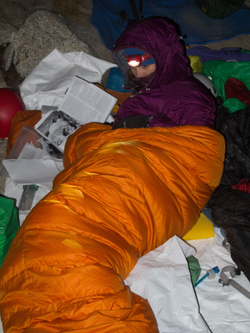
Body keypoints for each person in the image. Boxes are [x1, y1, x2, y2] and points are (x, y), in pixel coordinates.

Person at [111, 16, 217, 129]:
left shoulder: (190, 98)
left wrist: (147, 123)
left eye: (145, 66)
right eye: (132, 68)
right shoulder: (151, 87)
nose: (137, 75)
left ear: (165, 60)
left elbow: (200, 141)